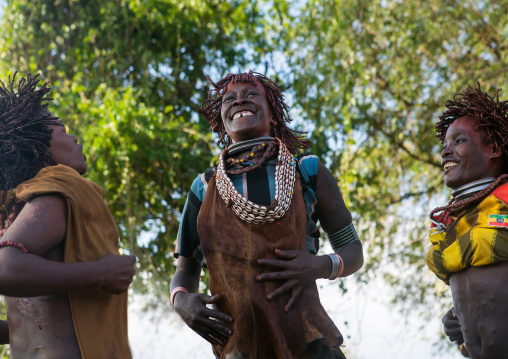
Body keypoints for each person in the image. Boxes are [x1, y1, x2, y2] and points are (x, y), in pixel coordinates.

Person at [171, 71, 363, 358]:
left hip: (308, 343)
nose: (239, 101)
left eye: (251, 94)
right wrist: (181, 301)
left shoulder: (307, 171)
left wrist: (320, 265)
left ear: (273, 113)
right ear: (221, 118)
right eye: (229, 99)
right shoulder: (205, 187)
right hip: (240, 347)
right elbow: (186, 269)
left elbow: (353, 252)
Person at [0, 73, 136, 358]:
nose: (74, 137)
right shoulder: (61, 187)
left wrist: (14, 326)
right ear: (36, 145)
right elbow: (6, 268)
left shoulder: (17, 207)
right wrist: (101, 272)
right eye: (62, 130)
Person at [426, 83, 508, 359]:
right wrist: (462, 319)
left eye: (459, 141)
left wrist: (447, 256)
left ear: (494, 148)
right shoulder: (453, 220)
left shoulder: (505, 197)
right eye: (445, 144)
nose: (446, 151)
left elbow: (498, 238)